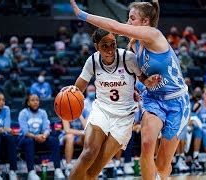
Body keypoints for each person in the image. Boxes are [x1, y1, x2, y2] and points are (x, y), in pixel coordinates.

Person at [69, 0, 190, 179]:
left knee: (163, 166)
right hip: (154, 98)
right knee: (147, 144)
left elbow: (115, 27)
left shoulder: (153, 35)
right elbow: (138, 76)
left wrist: (82, 15)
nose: (128, 22)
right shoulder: (134, 44)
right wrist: (140, 86)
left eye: (132, 18)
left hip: (176, 101)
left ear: (145, 22)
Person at [64, 28, 160, 180]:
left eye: (112, 44)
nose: (110, 50)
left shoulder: (128, 58)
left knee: (95, 169)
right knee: (89, 153)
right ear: (97, 47)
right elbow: (78, 88)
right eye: (104, 46)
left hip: (124, 117)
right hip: (101, 110)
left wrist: (150, 81)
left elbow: (143, 80)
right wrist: (72, 91)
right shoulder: (92, 61)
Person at [17, 94, 65, 180]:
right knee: (29, 141)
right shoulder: (23, 113)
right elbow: (25, 132)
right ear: (28, 103)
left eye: (37, 100)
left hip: (40, 138)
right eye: (33, 100)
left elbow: (47, 128)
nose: (35, 102)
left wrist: (44, 136)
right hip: (26, 139)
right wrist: (36, 137)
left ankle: (58, 169)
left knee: (54, 140)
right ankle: (31, 172)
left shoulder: (43, 112)